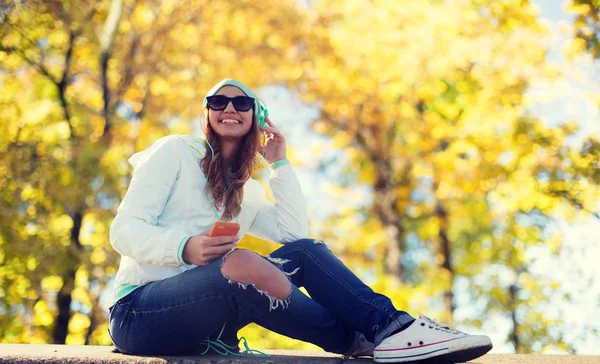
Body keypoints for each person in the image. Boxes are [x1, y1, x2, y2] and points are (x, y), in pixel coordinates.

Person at [107, 78, 493, 363]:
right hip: (139, 315)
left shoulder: (248, 191)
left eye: (242, 103)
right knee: (240, 263)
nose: (229, 107)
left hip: (205, 321)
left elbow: (293, 234)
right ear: (207, 113)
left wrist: (280, 164)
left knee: (305, 253)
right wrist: (184, 248)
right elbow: (123, 230)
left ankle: (387, 330)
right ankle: (357, 340)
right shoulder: (175, 152)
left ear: (257, 118)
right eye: (218, 101)